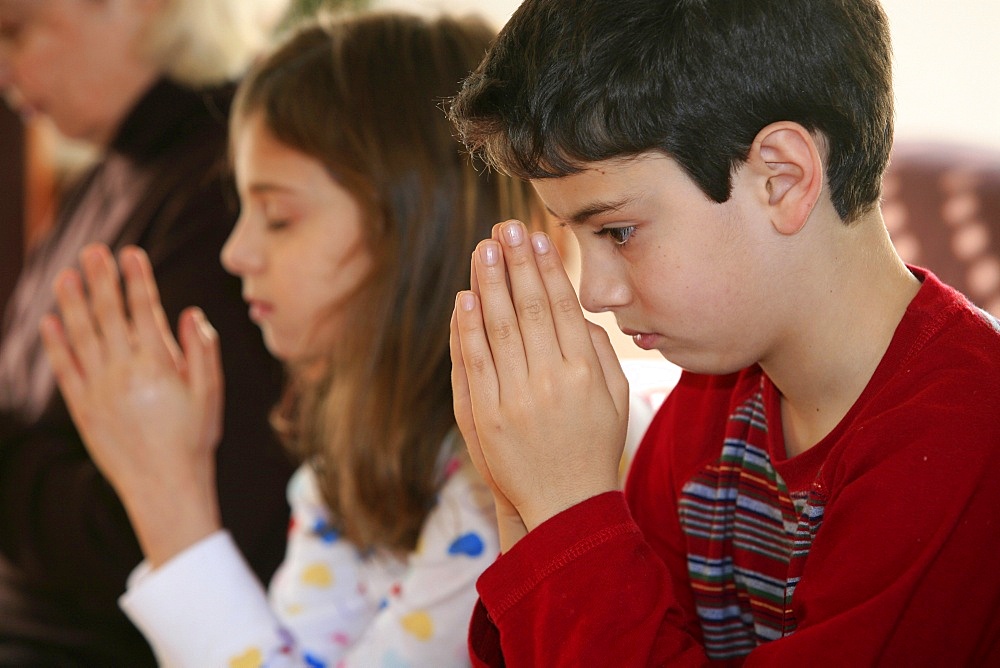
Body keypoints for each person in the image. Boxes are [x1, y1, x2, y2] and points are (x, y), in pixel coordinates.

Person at [447, 0, 1000, 665]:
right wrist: (528, 508)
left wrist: (567, 511)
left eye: (617, 231)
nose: (596, 292)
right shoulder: (712, 404)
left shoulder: (968, 434)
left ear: (781, 178)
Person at [41, 11, 537, 667]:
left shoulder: (498, 484)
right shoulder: (341, 467)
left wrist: (168, 497)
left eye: (277, 217)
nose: (234, 252)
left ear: (412, 226)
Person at [0, 0, 295, 663]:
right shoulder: (114, 171)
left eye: (17, 30)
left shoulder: (219, 189)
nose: (3, 68)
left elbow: (168, 529)